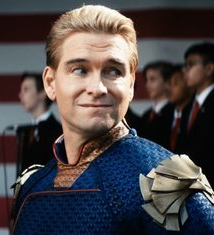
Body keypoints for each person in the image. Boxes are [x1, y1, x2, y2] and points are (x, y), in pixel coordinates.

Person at [11, 5, 214, 234]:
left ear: (130, 85)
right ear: (50, 83)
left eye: (113, 71)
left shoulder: (167, 188)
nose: (97, 88)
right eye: (80, 70)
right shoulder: (31, 186)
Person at [177, 42, 214, 187]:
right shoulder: (188, 107)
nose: (184, 70)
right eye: (185, 65)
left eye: (190, 64)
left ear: (209, 68)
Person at [17, 72, 62, 174]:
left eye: (26, 89)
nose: (20, 94)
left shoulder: (57, 132)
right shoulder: (27, 132)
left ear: (43, 93)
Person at [141, 61, 174, 149]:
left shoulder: (175, 112)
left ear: (167, 82)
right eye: (146, 80)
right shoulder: (147, 115)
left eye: (152, 79)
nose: (147, 85)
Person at [167, 64, 193, 152]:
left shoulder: (193, 115)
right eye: (169, 84)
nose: (169, 88)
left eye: (175, 82)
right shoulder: (165, 115)